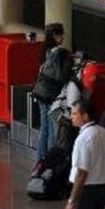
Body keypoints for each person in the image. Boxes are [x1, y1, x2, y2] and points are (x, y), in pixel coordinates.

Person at [36, 22, 67, 161]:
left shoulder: (45, 51)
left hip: (41, 92)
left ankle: (39, 161)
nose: (63, 38)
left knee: (44, 129)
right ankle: (49, 161)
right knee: (52, 130)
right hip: (52, 94)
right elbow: (61, 75)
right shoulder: (58, 53)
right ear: (55, 35)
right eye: (61, 35)